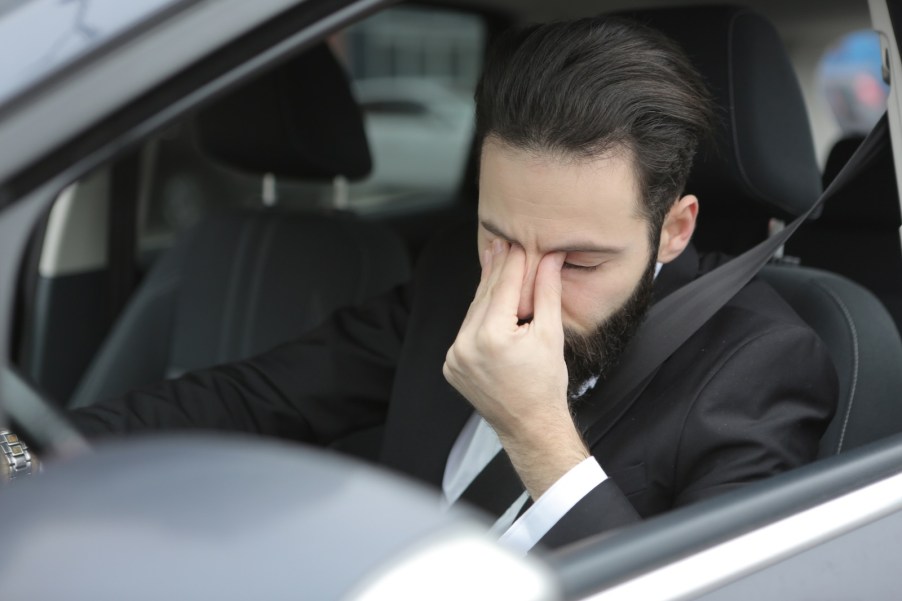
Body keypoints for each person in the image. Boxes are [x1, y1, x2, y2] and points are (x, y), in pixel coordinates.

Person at [67, 17, 836, 553]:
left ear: (674, 227)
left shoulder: (761, 363)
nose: (520, 297)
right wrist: (26, 458)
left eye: (578, 262)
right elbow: (255, 398)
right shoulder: (449, 278)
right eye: (499, 237)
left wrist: (538, 434)